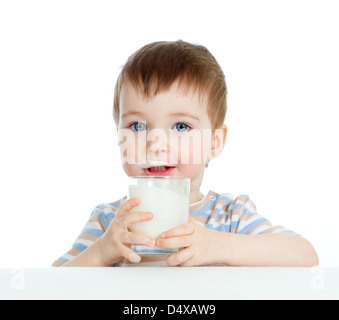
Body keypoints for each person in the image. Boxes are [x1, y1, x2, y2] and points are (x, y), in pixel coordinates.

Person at [52, 40, 318, 267]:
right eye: (137, 126)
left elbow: (306, 256)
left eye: (181, 126)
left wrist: (219, 246)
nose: (156, 145)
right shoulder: (110, 221)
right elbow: (49, 285)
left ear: (214, 142)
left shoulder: (229, 217)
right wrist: (100, 253)